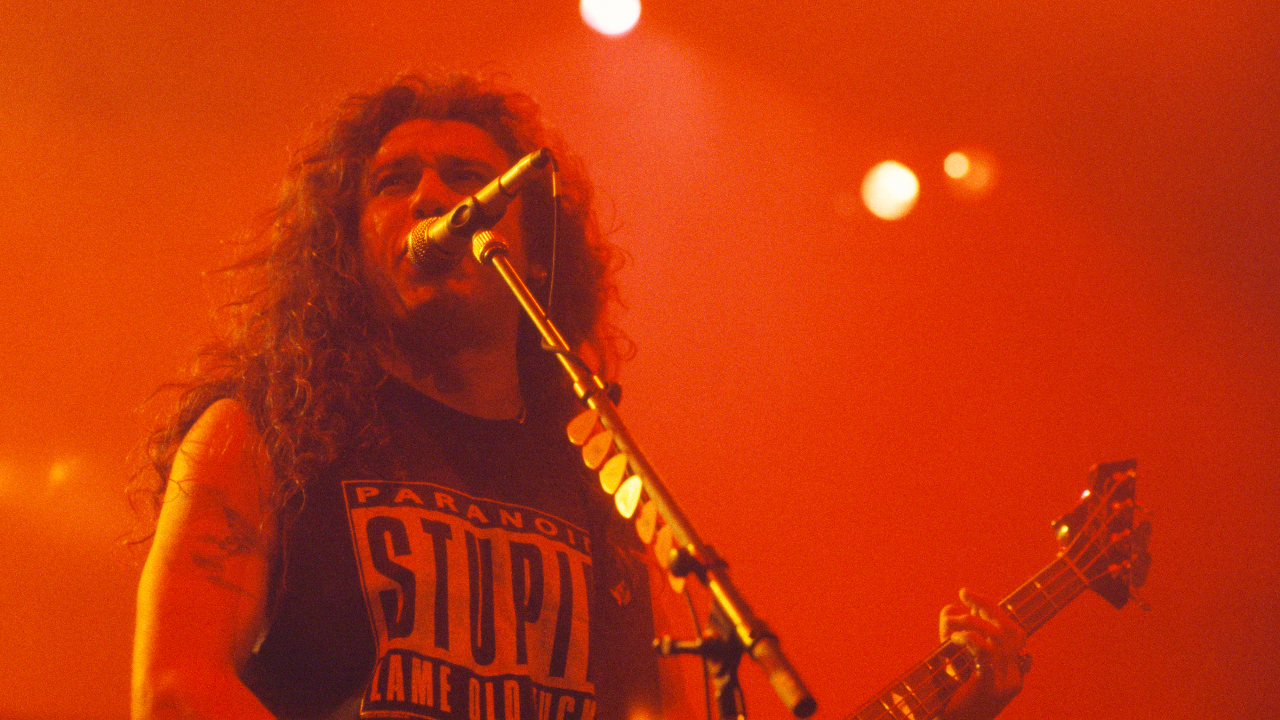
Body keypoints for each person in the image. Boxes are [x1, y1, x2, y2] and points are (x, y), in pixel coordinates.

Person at [130, 71, 1027, 720]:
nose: (433, 195)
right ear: (343, 243)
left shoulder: (608, 486)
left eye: (469, 181)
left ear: (528, 240)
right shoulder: (262, 435)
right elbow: (178, 689)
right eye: (393, 180)